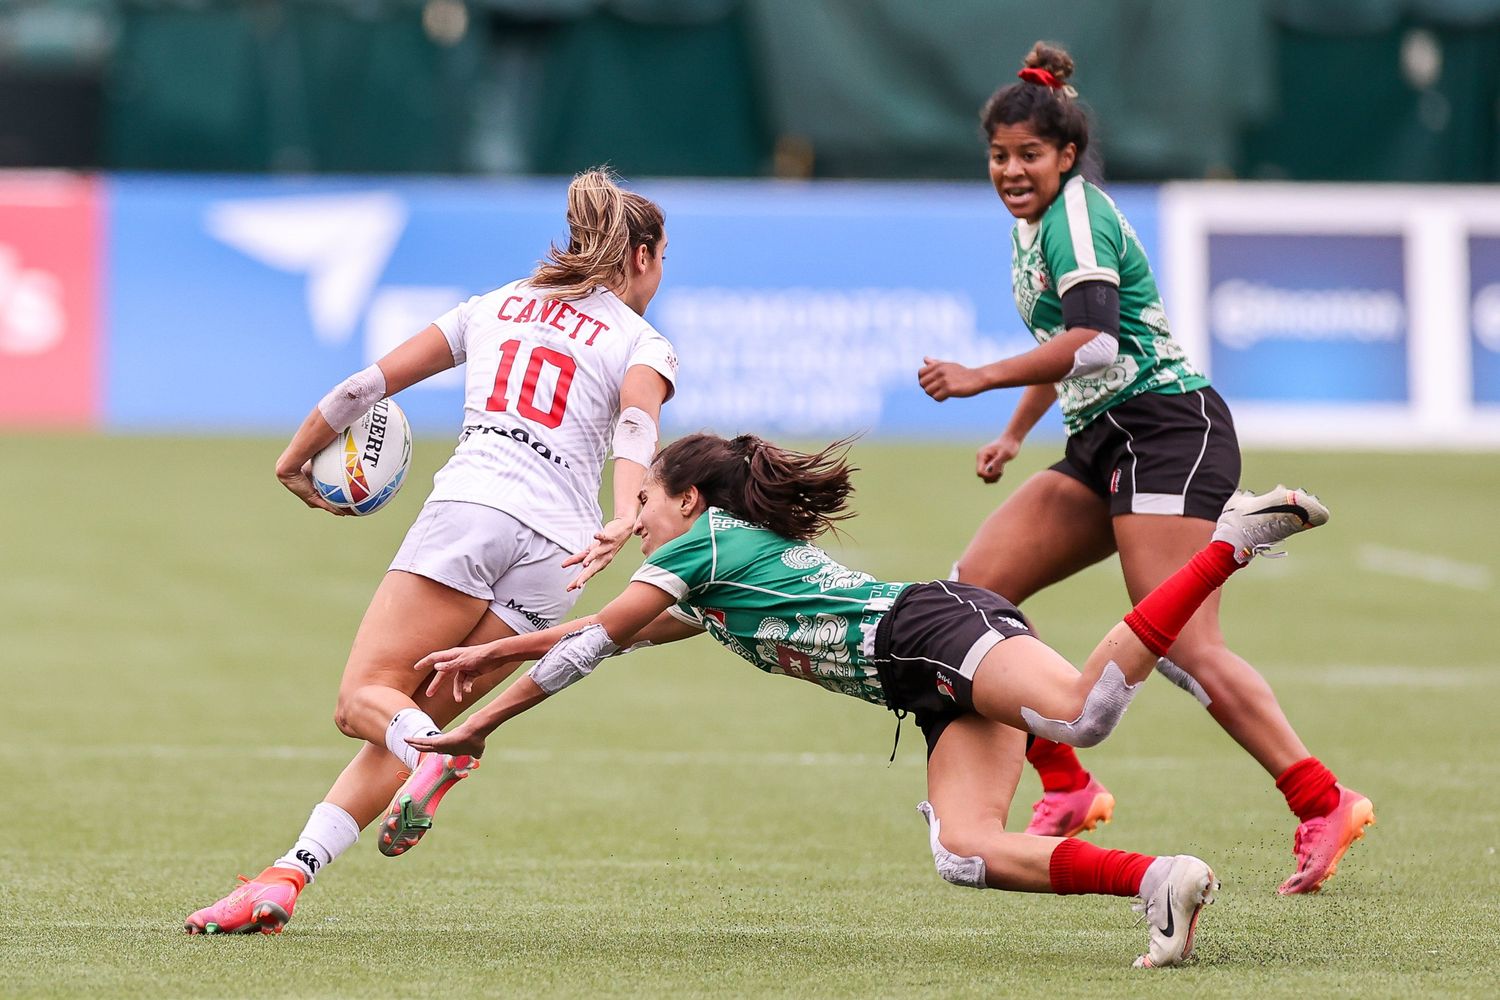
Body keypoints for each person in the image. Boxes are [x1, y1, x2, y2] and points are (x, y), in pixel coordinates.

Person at [396, 432, 1328, 968]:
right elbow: (599, 630)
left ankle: (1232, 541)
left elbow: (594, 645)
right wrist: (487, 655)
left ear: (683, 500)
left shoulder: (704, 545)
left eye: (643, 502)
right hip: (922, 680)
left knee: (1082, 713)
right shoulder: (707, 581)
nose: (633, 518)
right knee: (964, 852)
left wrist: (473, 723)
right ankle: (1158, 882)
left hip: (929, 632)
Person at [915, 42, 1373, 895]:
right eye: (999, 156)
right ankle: (1069, 785)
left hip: (1168, 429)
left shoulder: (1077, 216)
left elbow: (1096, 338)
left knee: (1185, 647)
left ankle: (1323, 799)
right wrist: (1017, 431)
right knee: (970, 595)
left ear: (1065, 156)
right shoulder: (1034, 225)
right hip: (1104, 439)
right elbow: (1069, 352)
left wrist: (979, 378)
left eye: (1028, 156)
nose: (1011, 171)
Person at [184, 167, 679, 934]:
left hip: (474, 511)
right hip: (560, 553)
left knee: (363, 703)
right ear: (642, 257)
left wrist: (295, 457)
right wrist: (624, 514)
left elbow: (362, 389)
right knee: (412, 722)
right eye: (663, 261)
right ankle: (288, 875)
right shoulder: (642, 341)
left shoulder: (495, 306)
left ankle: (434, 759)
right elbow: (637, 429)